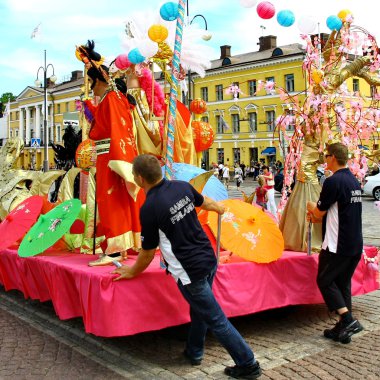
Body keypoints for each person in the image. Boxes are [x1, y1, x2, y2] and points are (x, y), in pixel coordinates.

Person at [112, 154, 262, 379]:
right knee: (200, 311)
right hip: (208, 258)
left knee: (216, 319)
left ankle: (248, 363)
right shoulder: (182, 187)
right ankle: (194, 351)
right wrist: (220, 209)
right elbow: (206, 202)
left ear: (140, 179)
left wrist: (131, 271)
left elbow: (147, 253)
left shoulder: (150, 207)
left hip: (190, 270)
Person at [77, 41, 145, 266]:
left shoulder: (111, 99)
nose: (91, 86)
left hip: (112, 157)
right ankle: (119, 247)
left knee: (110, 202)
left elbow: (116, 130)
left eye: (91, 81)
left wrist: (121, 161)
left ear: (97, 80)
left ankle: (115, 251)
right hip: (111, 155)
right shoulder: (112, 99)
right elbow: (106, 124)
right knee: (114, 202)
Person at [306, 142, 364, 344]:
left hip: (337, 244)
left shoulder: (333, 181)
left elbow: (319, 212)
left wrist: (311, 206)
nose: (324, 161)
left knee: (325, 280)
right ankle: (343, 327)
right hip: (355, 243)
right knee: (342, 283)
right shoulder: (353, 181)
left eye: (325, 156)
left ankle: (348, 320)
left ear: (332, 157)